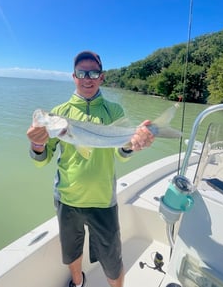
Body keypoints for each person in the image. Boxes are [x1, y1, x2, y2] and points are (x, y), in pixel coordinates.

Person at [26, 51, 154, 287]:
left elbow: (121, 153)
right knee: (72, 252)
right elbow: (41, 160)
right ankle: (78, 282)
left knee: (112, 259)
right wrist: (37, 143)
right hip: (67, 198)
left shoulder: (113, 111)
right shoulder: (60, 112)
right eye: (82, 73)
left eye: (93, 72)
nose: (88, 78)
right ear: (73, 76)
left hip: (103, 200)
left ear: (102, 77)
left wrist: (135, 144)